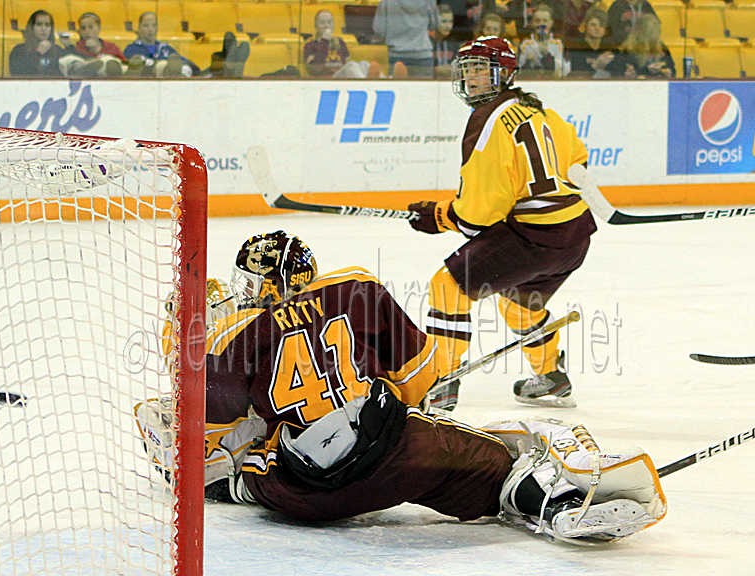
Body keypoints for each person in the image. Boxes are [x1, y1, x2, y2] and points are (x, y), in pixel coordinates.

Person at [138, 231, 666, 543]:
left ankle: (233, 488)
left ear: (257, 284)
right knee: (494, 468)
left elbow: (206, 430)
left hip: (305, 497)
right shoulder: (357, 287)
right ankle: (552, 502)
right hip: (400, 456)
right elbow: (420, 380)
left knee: (237, 465)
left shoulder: (229, 334)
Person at [406, 37, 594, 411]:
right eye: (467, 70)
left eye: (480, 69)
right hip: (575, 236)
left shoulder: (488, 120)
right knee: (520, 304)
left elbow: (479, 215)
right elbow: (578, 161)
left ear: (504, 73)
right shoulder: (540, 111)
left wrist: (440, 215)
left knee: (448, 286)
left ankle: (440, 381)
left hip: (534, 237)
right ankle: (552, 378)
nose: (472, 79)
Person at [304, 9, 381, 78]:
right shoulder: (309, 45)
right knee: (351, 66)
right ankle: (365, 85)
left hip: (342, 75)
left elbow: (347, 61)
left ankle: (381, 84)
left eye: (329, 22)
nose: (326, 26)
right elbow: (314, 69)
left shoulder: (340, 42)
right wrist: (324, 41)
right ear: (315, 26)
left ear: (333, 24)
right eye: (322, 23)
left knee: (364, 64)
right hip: (327, 79)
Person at [373, 0, 438, 78]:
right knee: (423, 88)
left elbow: (379, 30)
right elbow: (435, 24)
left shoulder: (387, 2)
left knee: (398, 88)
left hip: (396, 53)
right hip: (422, 53)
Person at [124, 12, 200, 77]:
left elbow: (190, 65)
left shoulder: (165, 48)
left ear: (157, 28)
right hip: (143, 85)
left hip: (167, 87)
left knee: (183, 66)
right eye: (146, 26)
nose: (150, 29)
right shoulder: (131, 49)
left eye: (154, 25)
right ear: (139, 28)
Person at [58, 12, 126, 77]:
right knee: (70, 59)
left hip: (107, 79)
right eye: (83, 28)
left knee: (108, 60)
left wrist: (95, 50)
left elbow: (124, 63)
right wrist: (69, 46)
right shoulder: (76, 48)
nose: (87, 31)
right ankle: (81, 69)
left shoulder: (111, 47)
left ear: (99, 28)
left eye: (91, 27)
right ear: (80, 31)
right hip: (83, 80)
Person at [609, 13, 674, 78]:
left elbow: (672, 70)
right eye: (650, 32)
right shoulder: (628, 50)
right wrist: (646, 70)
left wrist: (668, 72)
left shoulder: (662, 48)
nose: (652, 36)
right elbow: (619, 73)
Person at [517, 4, 570, 76]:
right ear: (532, 23)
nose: (541, 24)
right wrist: (528, 61)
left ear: (551, 23)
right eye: (537, 21)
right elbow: (518, 71)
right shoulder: (525, 44)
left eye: (545, 21)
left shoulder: (559, 44)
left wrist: (547, 55)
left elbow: (566, 70)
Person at [9, 10, 65, 77]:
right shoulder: (19, 50)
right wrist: (38, 53)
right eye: (39, 24)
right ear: (32, 28)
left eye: (47, 25)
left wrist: (69, 46)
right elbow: (18, 73)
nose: (43, 29)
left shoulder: (58, 50)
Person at [567, 7, 616, 78]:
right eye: (593, 25)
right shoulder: (576, 47)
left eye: (601, 25)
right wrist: (596, 65)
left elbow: (618, 70)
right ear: (585, 26)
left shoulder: (610, 47)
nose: (597, 29)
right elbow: (575, 74)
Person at [432, 4, 461, 78]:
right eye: (444, 21)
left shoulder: (453, 45)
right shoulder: (427, 44)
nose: (448, 26)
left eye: (450, 22)